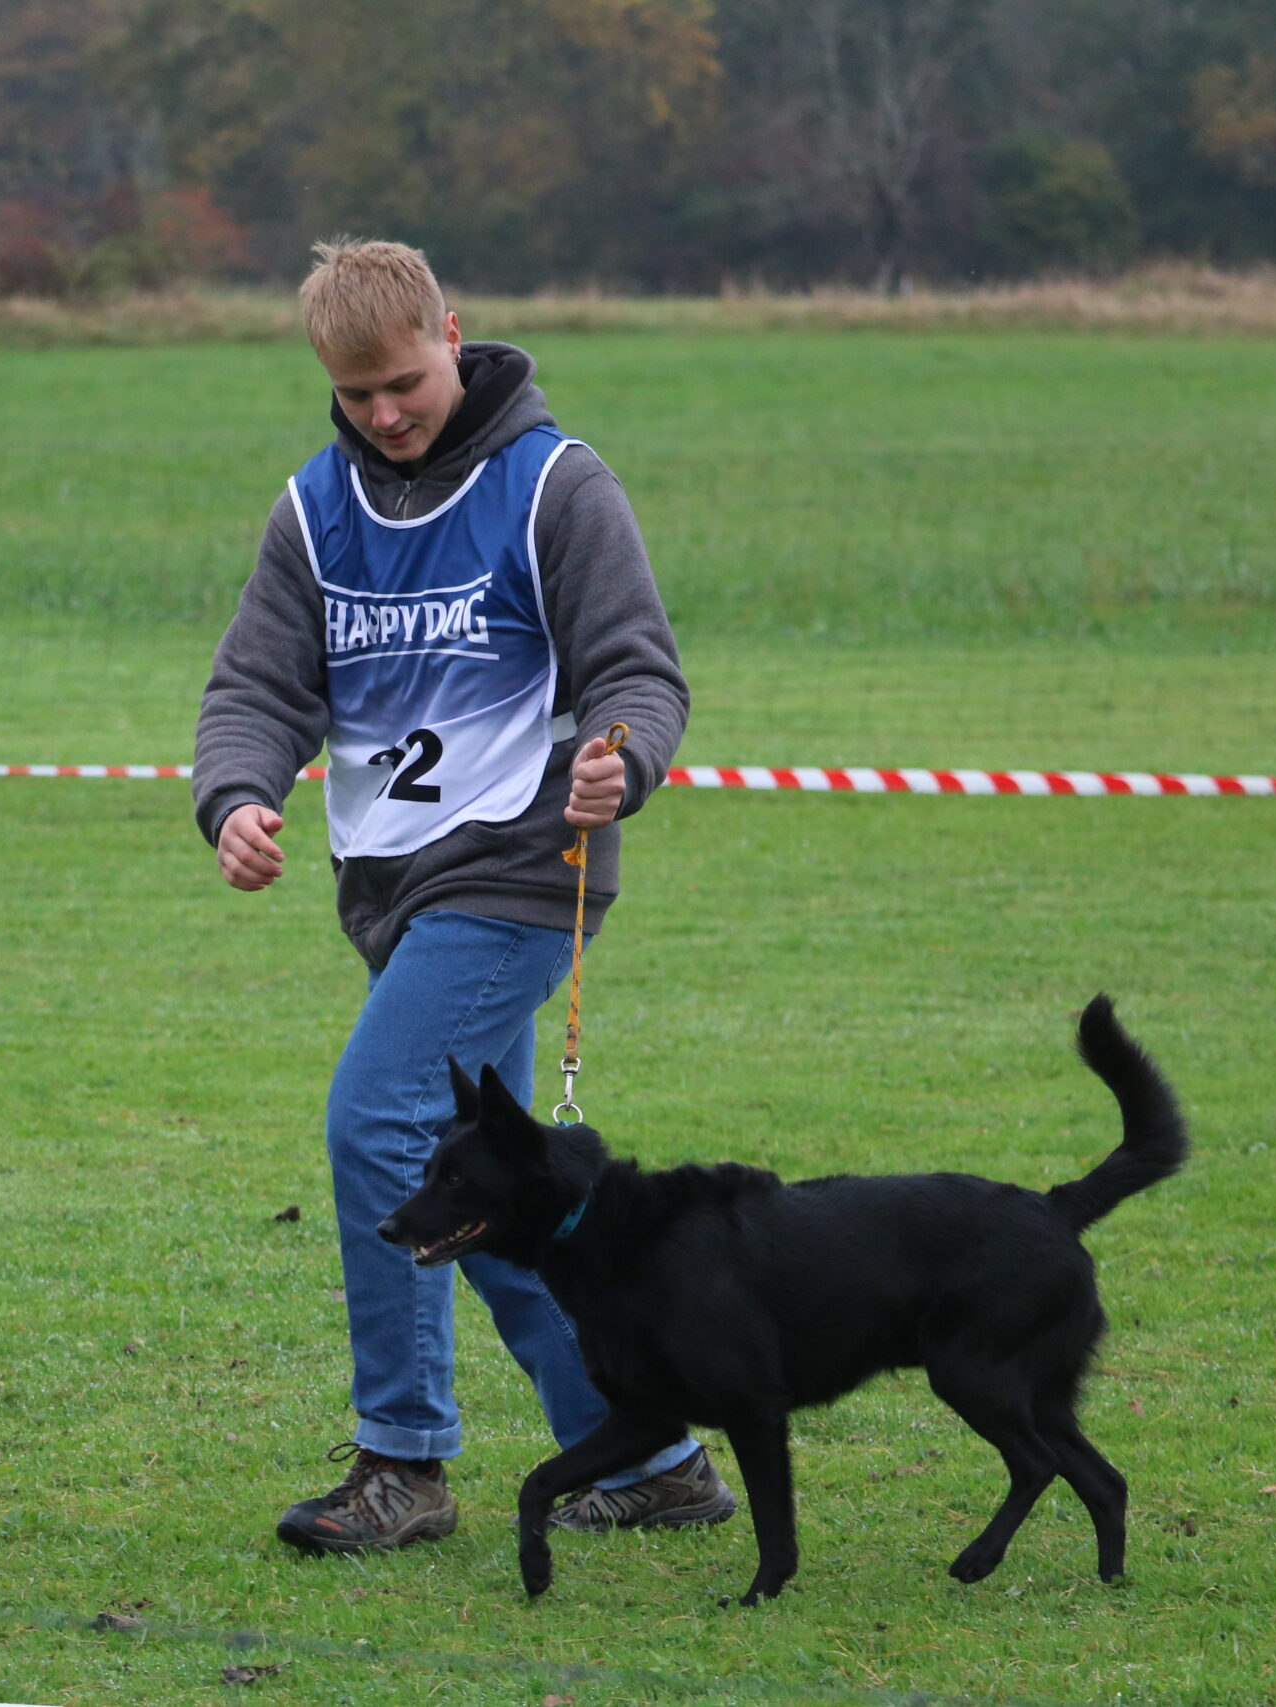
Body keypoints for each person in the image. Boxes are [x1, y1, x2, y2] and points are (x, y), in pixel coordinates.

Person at [191, 238, 732, 1555]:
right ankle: (651, 1454)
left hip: (518, 877)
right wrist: (238, 798)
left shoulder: (555, 485)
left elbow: (640, 673)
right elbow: (256, 688)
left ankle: (404, 1466)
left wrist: (624, 756)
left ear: (451, 330)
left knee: (378, 1128)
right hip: (393, 896)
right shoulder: (316, 512)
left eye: (405, 380)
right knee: (495, 1205)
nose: (386, 412)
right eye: (357, 393)